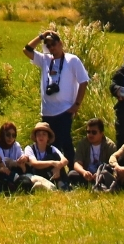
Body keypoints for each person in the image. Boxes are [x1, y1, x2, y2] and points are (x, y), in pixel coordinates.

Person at [23, 29, 89, 161]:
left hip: (65, 110)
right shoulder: (45, 59)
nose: (51, 47)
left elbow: (83, 82)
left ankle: (70, 169)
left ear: (61, 43)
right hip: (47, 111)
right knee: (48, 143)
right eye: (48, 45)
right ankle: (52, 169)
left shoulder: (72, 60)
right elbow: (26, 50)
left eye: (53, 44)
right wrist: (41, 36)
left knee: (64, 141)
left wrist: (76, 105)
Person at [18, 122, 69, 190]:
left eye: (44, 134)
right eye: (38, 134)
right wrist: (52, 163)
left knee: (55, 156)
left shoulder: (52, 148)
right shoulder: (30, 148)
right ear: (35, 137)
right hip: (36, 173)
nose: (41, 137)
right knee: (50, 158)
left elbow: (65, 160)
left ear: (48, 137)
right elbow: (35, 163)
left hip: (51, 174)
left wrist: (58, 167)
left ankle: (60, 183)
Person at [69, 117, 113, 187]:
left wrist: (100, 173)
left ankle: (96, 183)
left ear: (102, 133)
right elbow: (77, 163)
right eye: (88, 132)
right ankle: (93, 184)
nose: (90, 135)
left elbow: (111, 166)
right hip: (87, 175)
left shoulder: (110, 145)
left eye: (94, 132)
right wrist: (84, 172)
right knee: (72, 174)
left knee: (109, 176)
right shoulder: (82, 144)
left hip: (102, 174)